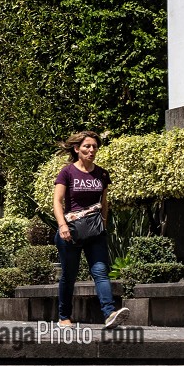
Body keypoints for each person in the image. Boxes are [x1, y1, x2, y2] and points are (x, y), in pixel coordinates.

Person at [53, 131, 129, 329]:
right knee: (69, 275)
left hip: (95, 232)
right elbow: (57, 201)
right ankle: (64, 316)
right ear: (77, 149)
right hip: (71, 232)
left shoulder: (102, 174)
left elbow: (104, 202)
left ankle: (109, 313)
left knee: (101, 271)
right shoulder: (67, 172)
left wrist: (103, 223)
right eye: (87, 146)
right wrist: (62, 226)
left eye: (94, 147)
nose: (91, 150)